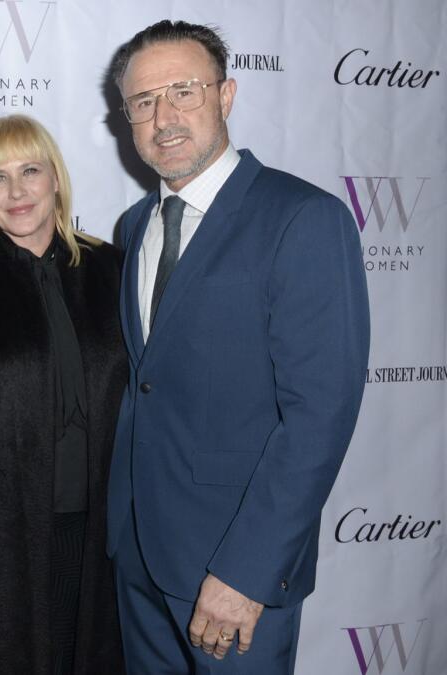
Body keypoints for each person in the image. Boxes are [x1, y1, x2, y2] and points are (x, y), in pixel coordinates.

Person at [106, 20, 370, 674]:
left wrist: (248, 573)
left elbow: (319, 414)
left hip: (232, 572)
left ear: (226, 95)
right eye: (143, 102)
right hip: (137, 557)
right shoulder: (134, 226)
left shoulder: (303, 218)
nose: (163, 116)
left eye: (183, 91)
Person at [0, 114, 127, 675]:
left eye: (30, 170)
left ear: (55, 178)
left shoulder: (111, 269)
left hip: (101, 534)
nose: (17, 191)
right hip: (0, 537)